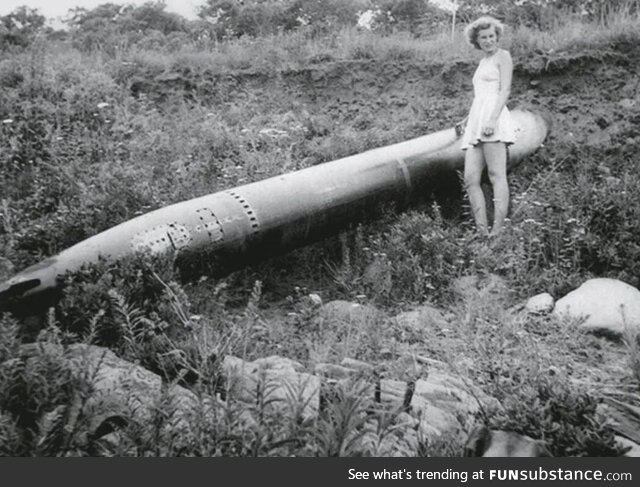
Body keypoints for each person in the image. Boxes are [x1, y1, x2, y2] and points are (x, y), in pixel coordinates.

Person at [458, 16, 514, 237]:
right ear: (477, 41)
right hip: (477, 120)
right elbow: (481, 95)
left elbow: (505, 91)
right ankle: (482, 231)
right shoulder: (482, 62)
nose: (489, 41)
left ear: (497, 36)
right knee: (471, 179)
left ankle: (498, 231)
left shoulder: (503, 57)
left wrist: (491, 119)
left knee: (496, 174)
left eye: (492, 36)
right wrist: (468, 120)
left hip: (494, 118)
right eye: (484, 37)